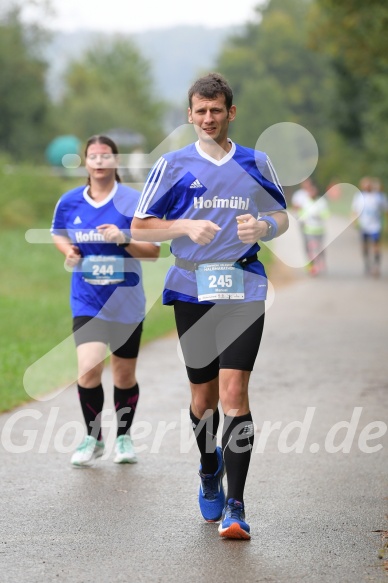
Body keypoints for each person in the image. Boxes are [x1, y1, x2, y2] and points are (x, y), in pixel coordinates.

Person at [131, 73, 288, 540]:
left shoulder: (256, 161)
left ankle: (236, 507)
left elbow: (281, 214)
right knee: (203, 398)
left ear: (230, 113)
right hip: (191, 288)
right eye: (200, 111)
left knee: (234, 393)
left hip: (244, 285)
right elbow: (141, 226)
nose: (207, 118)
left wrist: (262, 227)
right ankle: (207, 468)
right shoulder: (172, 165)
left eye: (216, 110)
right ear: (190, 114)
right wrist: (183, 227)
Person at [51, 135, 160, 468]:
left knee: (123, 375)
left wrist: (123, 238)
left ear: (116, 161)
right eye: (93, 156)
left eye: (106, 156)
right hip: (87, 299)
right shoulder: (70, 201)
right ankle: (93, 437)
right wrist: (68, 250)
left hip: (126, 300)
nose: (99, 161)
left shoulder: (134, 201)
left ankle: (123, 438)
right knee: (88, 368)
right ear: (86, 162)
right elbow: (59, 232)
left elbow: (154, 252)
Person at [351, 176, 388, 277]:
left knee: (376, 246)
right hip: (364, 226)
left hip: (375, 226)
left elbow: (385, 210)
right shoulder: (359, 196)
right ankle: (367, 264)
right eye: (364, 184)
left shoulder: (379, 197)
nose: (367, 186)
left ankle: (376, 266)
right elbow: (355, 210)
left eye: (368, 184)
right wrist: (354, 221)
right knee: (365, 246)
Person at [297, 180, 330, 275]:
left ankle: (320, 263)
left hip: (319, 230)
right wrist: (302, 219)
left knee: (319, 249)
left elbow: (326, 214)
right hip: (309, 230)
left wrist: (319, 215)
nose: (312, 193)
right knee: (311, 248)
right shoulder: (305, 202)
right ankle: (312, 267)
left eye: (313, 191)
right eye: (310, 192)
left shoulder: (322, 202)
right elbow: (301, 213)